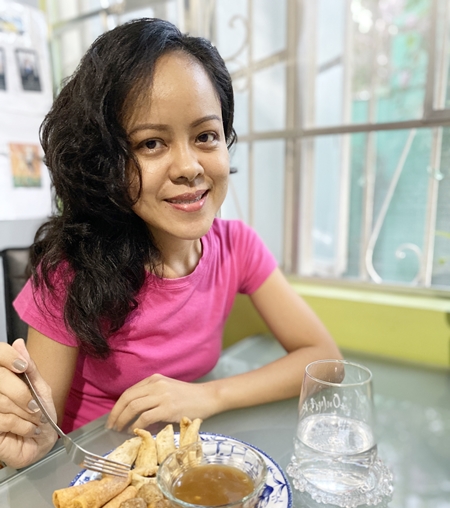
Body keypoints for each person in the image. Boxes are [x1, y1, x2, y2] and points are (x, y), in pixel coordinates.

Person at [0, 18, 341, 470]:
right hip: (94, 477)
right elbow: (41, 434)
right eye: (152, 143)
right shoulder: (71, 271)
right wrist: (27, 436)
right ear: (107, 163)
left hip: (186, 468)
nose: (189, 167)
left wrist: (206, 396)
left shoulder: (236, 246)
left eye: (205, 136)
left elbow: (325, 360)